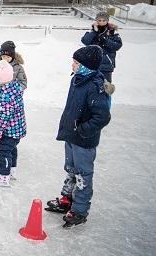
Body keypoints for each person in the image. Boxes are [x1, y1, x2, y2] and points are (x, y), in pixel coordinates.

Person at [45, 45, 112, 228]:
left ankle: (80, 210)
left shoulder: (95, 86)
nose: (72, 65)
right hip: (72, 135)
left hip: (83, 139)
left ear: (86, 66)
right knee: (71, 169)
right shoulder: (78, 79)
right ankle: (67, 199)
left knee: (83, 174)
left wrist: (83, 130)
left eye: (75, 62)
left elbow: (102, 116)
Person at [0, 60, 27, 187]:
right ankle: (12, 171)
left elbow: (6, 115)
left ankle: (4, 176)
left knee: (3, 151)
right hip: (18, 129)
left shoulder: (4, 94)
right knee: (12, 149)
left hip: (9, 130)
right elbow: (11, 108)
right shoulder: (15, 88)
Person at [81, 11, 122, 83]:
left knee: (106, 86)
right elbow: (85, 41)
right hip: (93, 64)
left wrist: (105, 40)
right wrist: (94, 31)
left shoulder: (112, 32)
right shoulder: (93, 31)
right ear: (96, 21)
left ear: (107, 21)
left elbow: (117, 46)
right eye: (99, 20)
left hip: (106, 65)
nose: (101, 22)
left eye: (104, 20)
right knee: (92, 87)